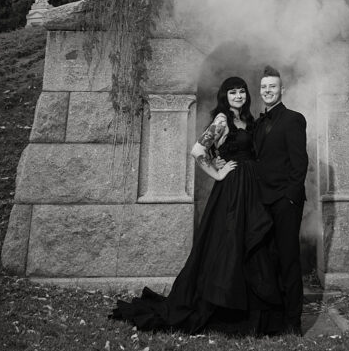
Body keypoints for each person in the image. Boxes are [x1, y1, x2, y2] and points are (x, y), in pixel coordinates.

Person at [110, 76, 281, 334]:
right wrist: (218, 172)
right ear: (225, 96)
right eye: (233, 92)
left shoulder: (247, 120)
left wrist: (221, 158)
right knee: (230, 243)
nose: (238, 96)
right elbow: (198, 150)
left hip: (252, 190)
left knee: (250, 242)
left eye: (242, 91)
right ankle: (223, 305)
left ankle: (250, 307)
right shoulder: (222, 121)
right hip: (233, 192)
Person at [253, 65, 308, 335]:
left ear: (282, 90)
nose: (267, 91)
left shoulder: (294, 119)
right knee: (267, 259)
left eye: (272, 87)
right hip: (262, 202)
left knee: (288, 259)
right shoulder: (258, 122)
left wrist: (290, 199)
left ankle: (293, 321)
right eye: (264, 87)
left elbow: (300, 164)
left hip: (285, 202)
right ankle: (273, 317)